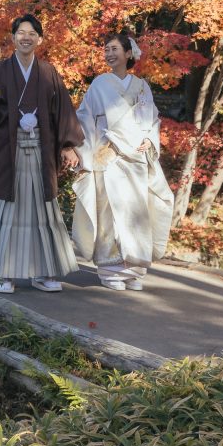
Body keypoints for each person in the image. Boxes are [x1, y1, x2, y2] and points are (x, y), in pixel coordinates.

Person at [0, 14, 84, 294]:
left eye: (32, 33)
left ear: (40, 39)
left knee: (42, 212)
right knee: (8, 213)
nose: (26, 37)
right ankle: (4, 273)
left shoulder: (49, 71)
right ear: (13, 38)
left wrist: (67, 145)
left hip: (41, 152)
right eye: (20, 32)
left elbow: (61, 110)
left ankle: (43, 272)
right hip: (7, 153)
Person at [72, 33, 173, 291]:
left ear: (129, 54)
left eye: (114, 49)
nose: (109, 54)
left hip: (136, 159)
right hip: (109, 156)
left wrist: (150, 139)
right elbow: (84, 117)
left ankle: (134, 271)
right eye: (106, 49)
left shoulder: (141, 86)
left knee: (136, 213)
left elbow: (152, 120)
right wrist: (85, 152)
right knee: (109, 212)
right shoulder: (98, 84)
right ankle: (110, 270)